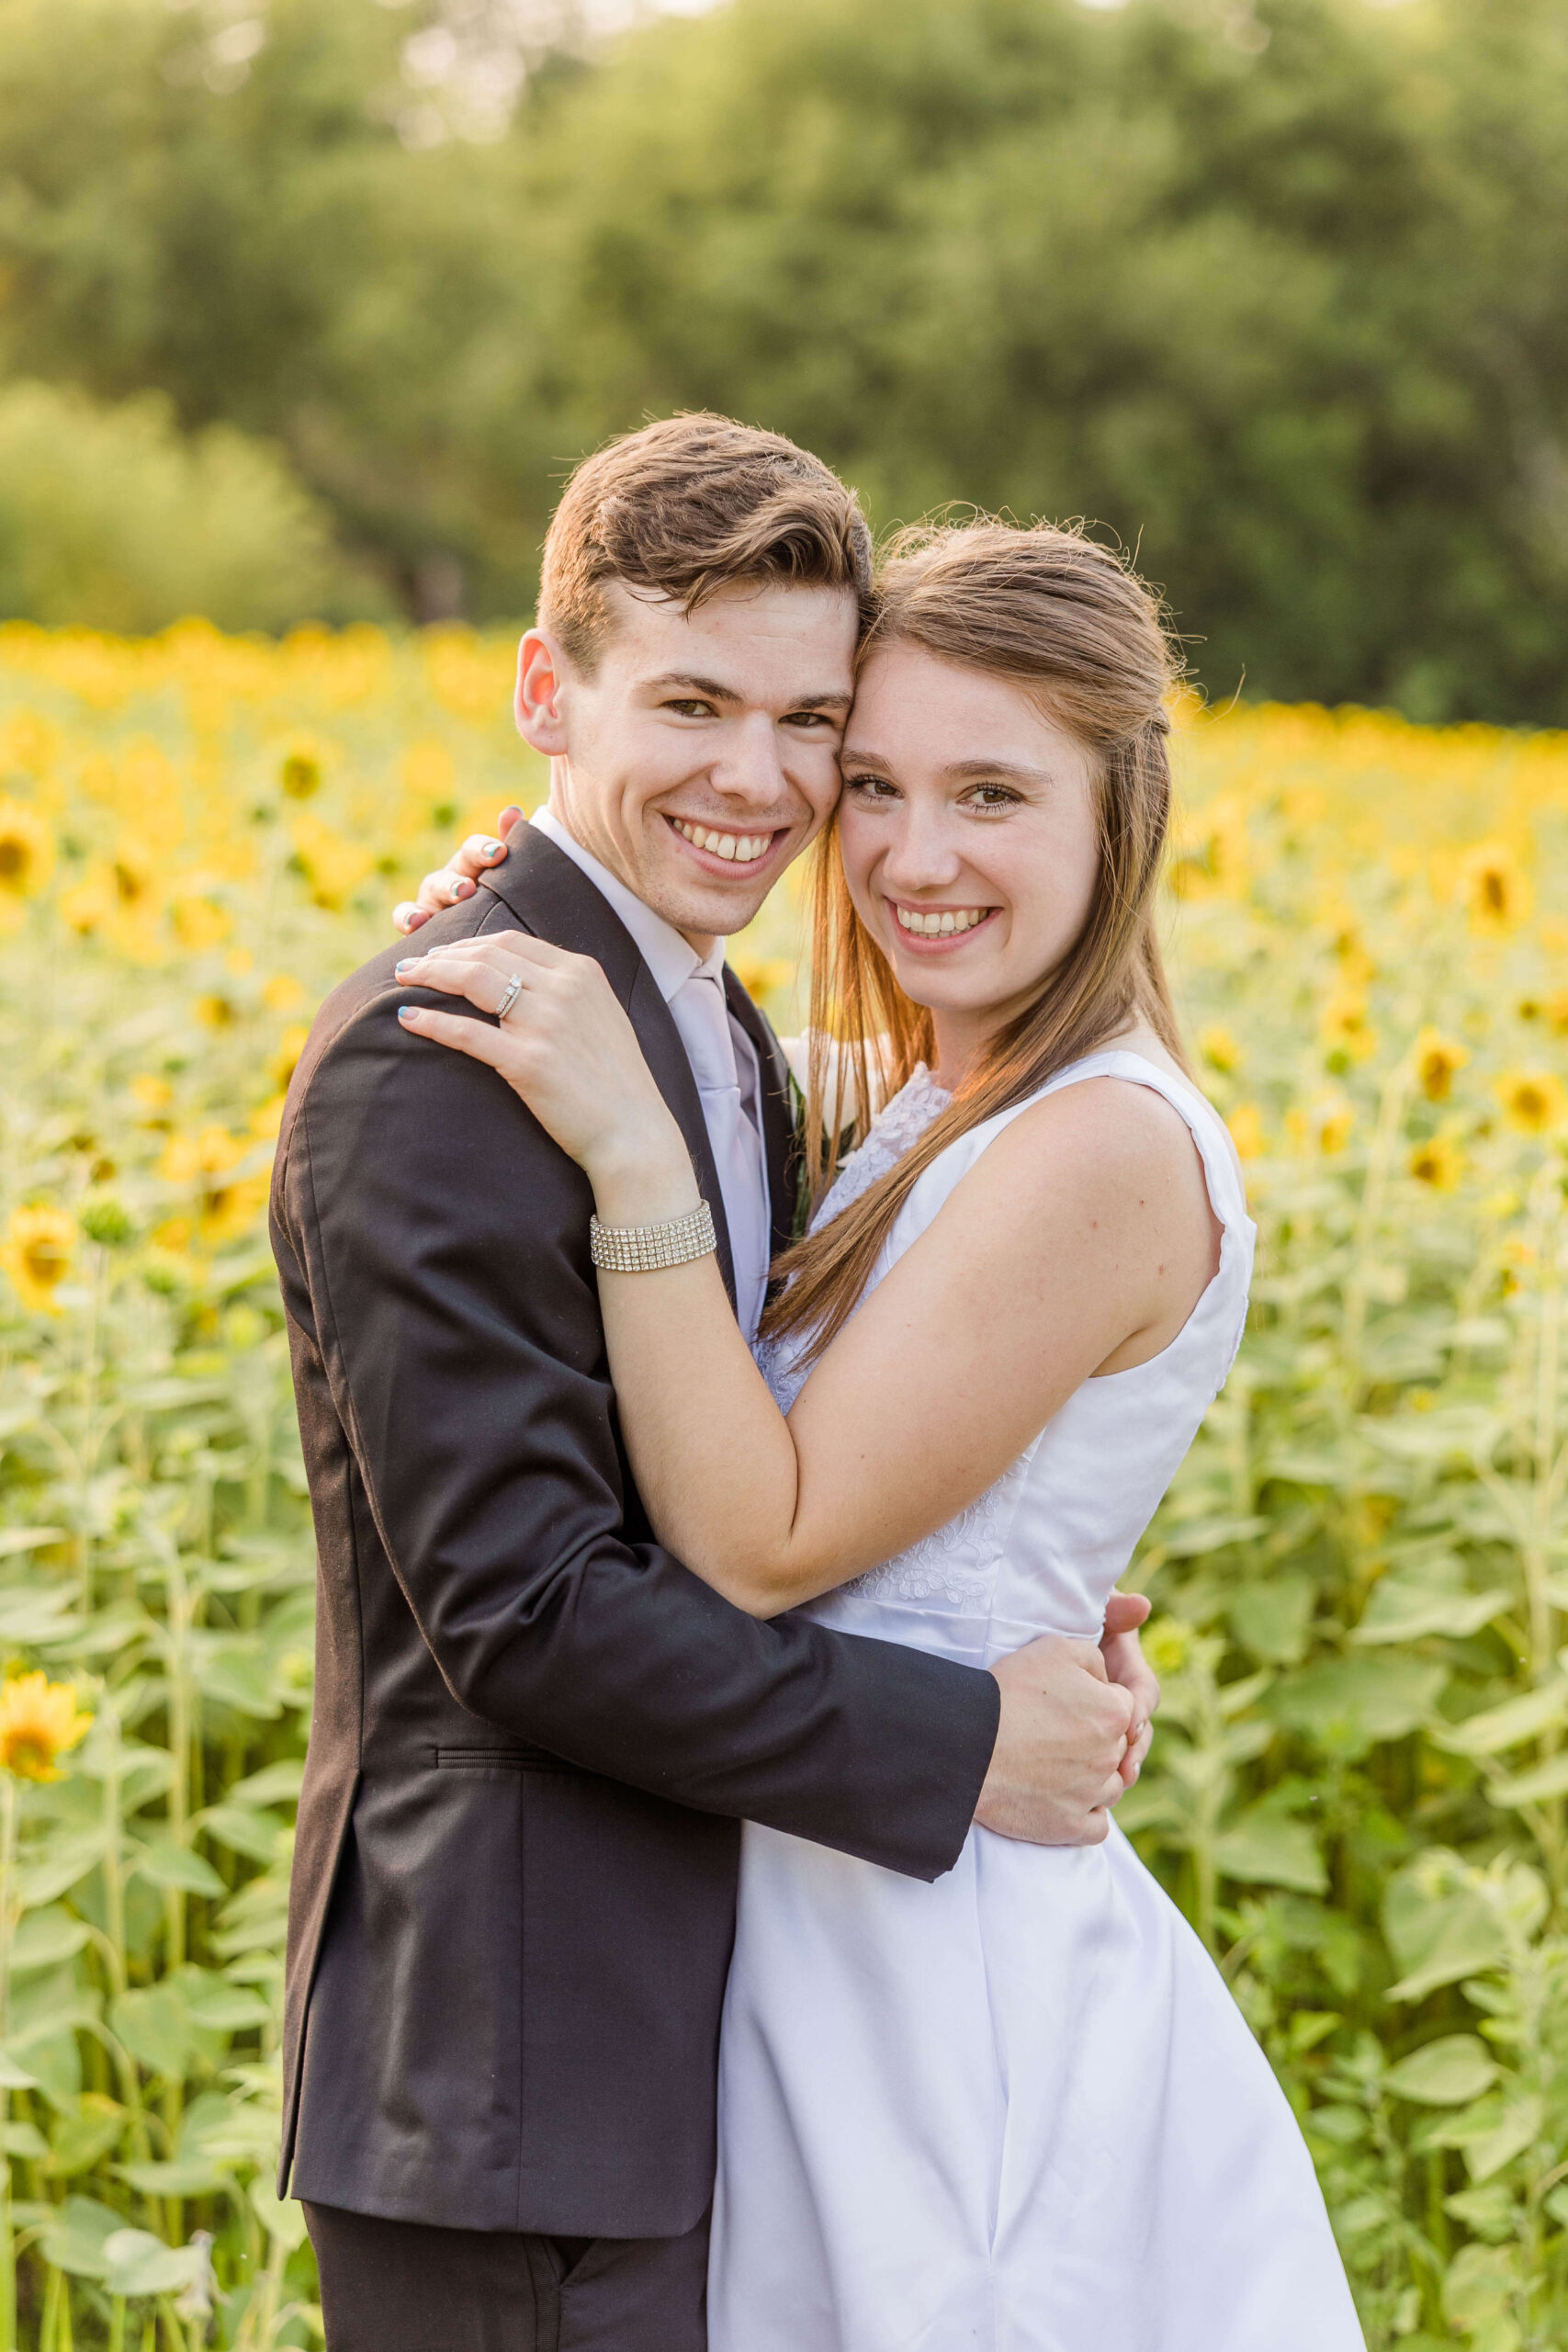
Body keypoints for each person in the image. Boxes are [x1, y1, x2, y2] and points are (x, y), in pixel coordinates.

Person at [395, 514, 1366, 2350]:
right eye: (873, 786)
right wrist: (559, 896)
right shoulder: (927, 1095)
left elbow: (767, 1541)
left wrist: (620, 1142)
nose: (914, 857)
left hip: (936, 1974)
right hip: (821, 1909)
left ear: (1116, 815)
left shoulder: (1093, 1144)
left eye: (990, 793)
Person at [265, 418, 1158, 2352]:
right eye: (686, 701)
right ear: (542, 691)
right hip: (517, 2081)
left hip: (702, 2057)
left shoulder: (704, 1024)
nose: (755, 780)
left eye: (803, 717)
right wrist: (954, 1731)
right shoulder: (446, 1055)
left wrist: (1004, 1602)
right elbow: (525, 1611)